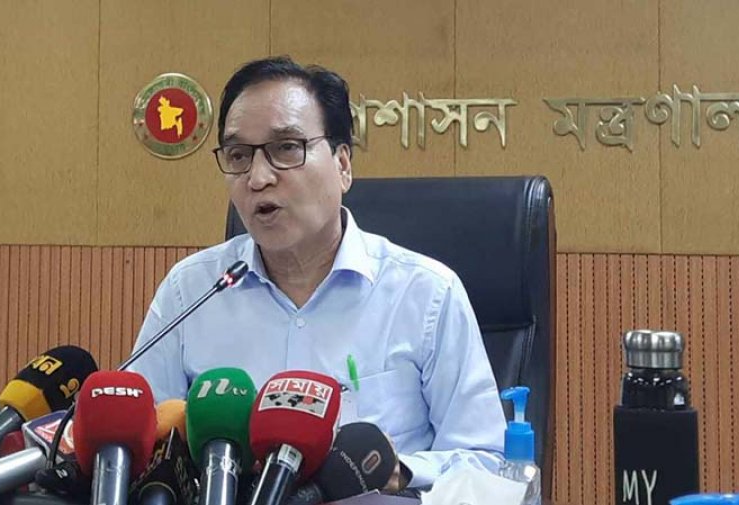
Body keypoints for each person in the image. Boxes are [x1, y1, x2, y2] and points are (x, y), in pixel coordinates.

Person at [129, 56, 506, 489]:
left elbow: (487, 464)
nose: (258, 177)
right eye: (238, 155)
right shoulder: (192, 290)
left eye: (286, 148)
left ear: (343, 165)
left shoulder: (426, 295)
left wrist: (401, 471)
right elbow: (140, 443)